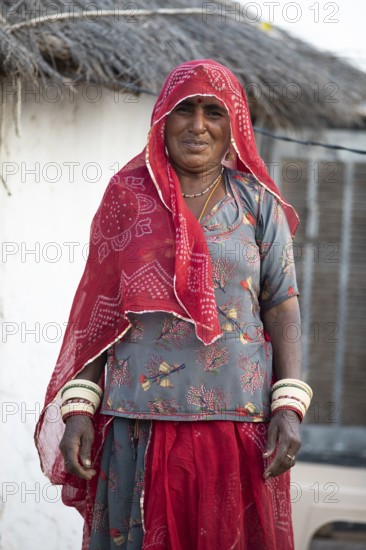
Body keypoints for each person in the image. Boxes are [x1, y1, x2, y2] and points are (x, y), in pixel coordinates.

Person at [35, 59, 313, 550]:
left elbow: (282, 304)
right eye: (185, 110)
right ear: (163, 117)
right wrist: (79, 407)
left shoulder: (257, 202)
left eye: (214, 112)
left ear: (235, 126)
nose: (198, 125)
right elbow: (98, 312)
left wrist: (288, 406)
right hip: (137, 426)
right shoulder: (128, 196)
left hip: (236, 424)